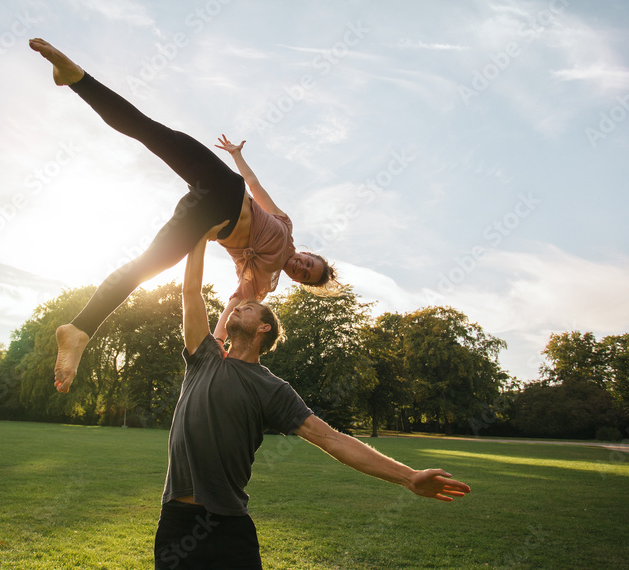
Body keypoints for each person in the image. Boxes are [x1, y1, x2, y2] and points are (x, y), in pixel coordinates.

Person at [28, 38, 337, 393]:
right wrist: (236, 155)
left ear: (299, 282)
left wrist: (218, 343)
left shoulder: (263, 283)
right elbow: (255, 186)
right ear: (308, 253)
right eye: (308, 263)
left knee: (145, 267)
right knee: (151, 132)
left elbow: (236, 304)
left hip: (205, 219)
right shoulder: (285, 224)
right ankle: (77, 78)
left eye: (305, 276)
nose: (301, 268)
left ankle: (79, 329)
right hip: (225, 184)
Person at [154, 232, 471, 569]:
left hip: (229, 527)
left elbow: (332, 440)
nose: (236, 308)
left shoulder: (272, 389)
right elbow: (191, 292)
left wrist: (408, 477)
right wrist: (200, 233)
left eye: (247, 308)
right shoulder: (205, 357)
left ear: (263, 329)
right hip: (177, 521)